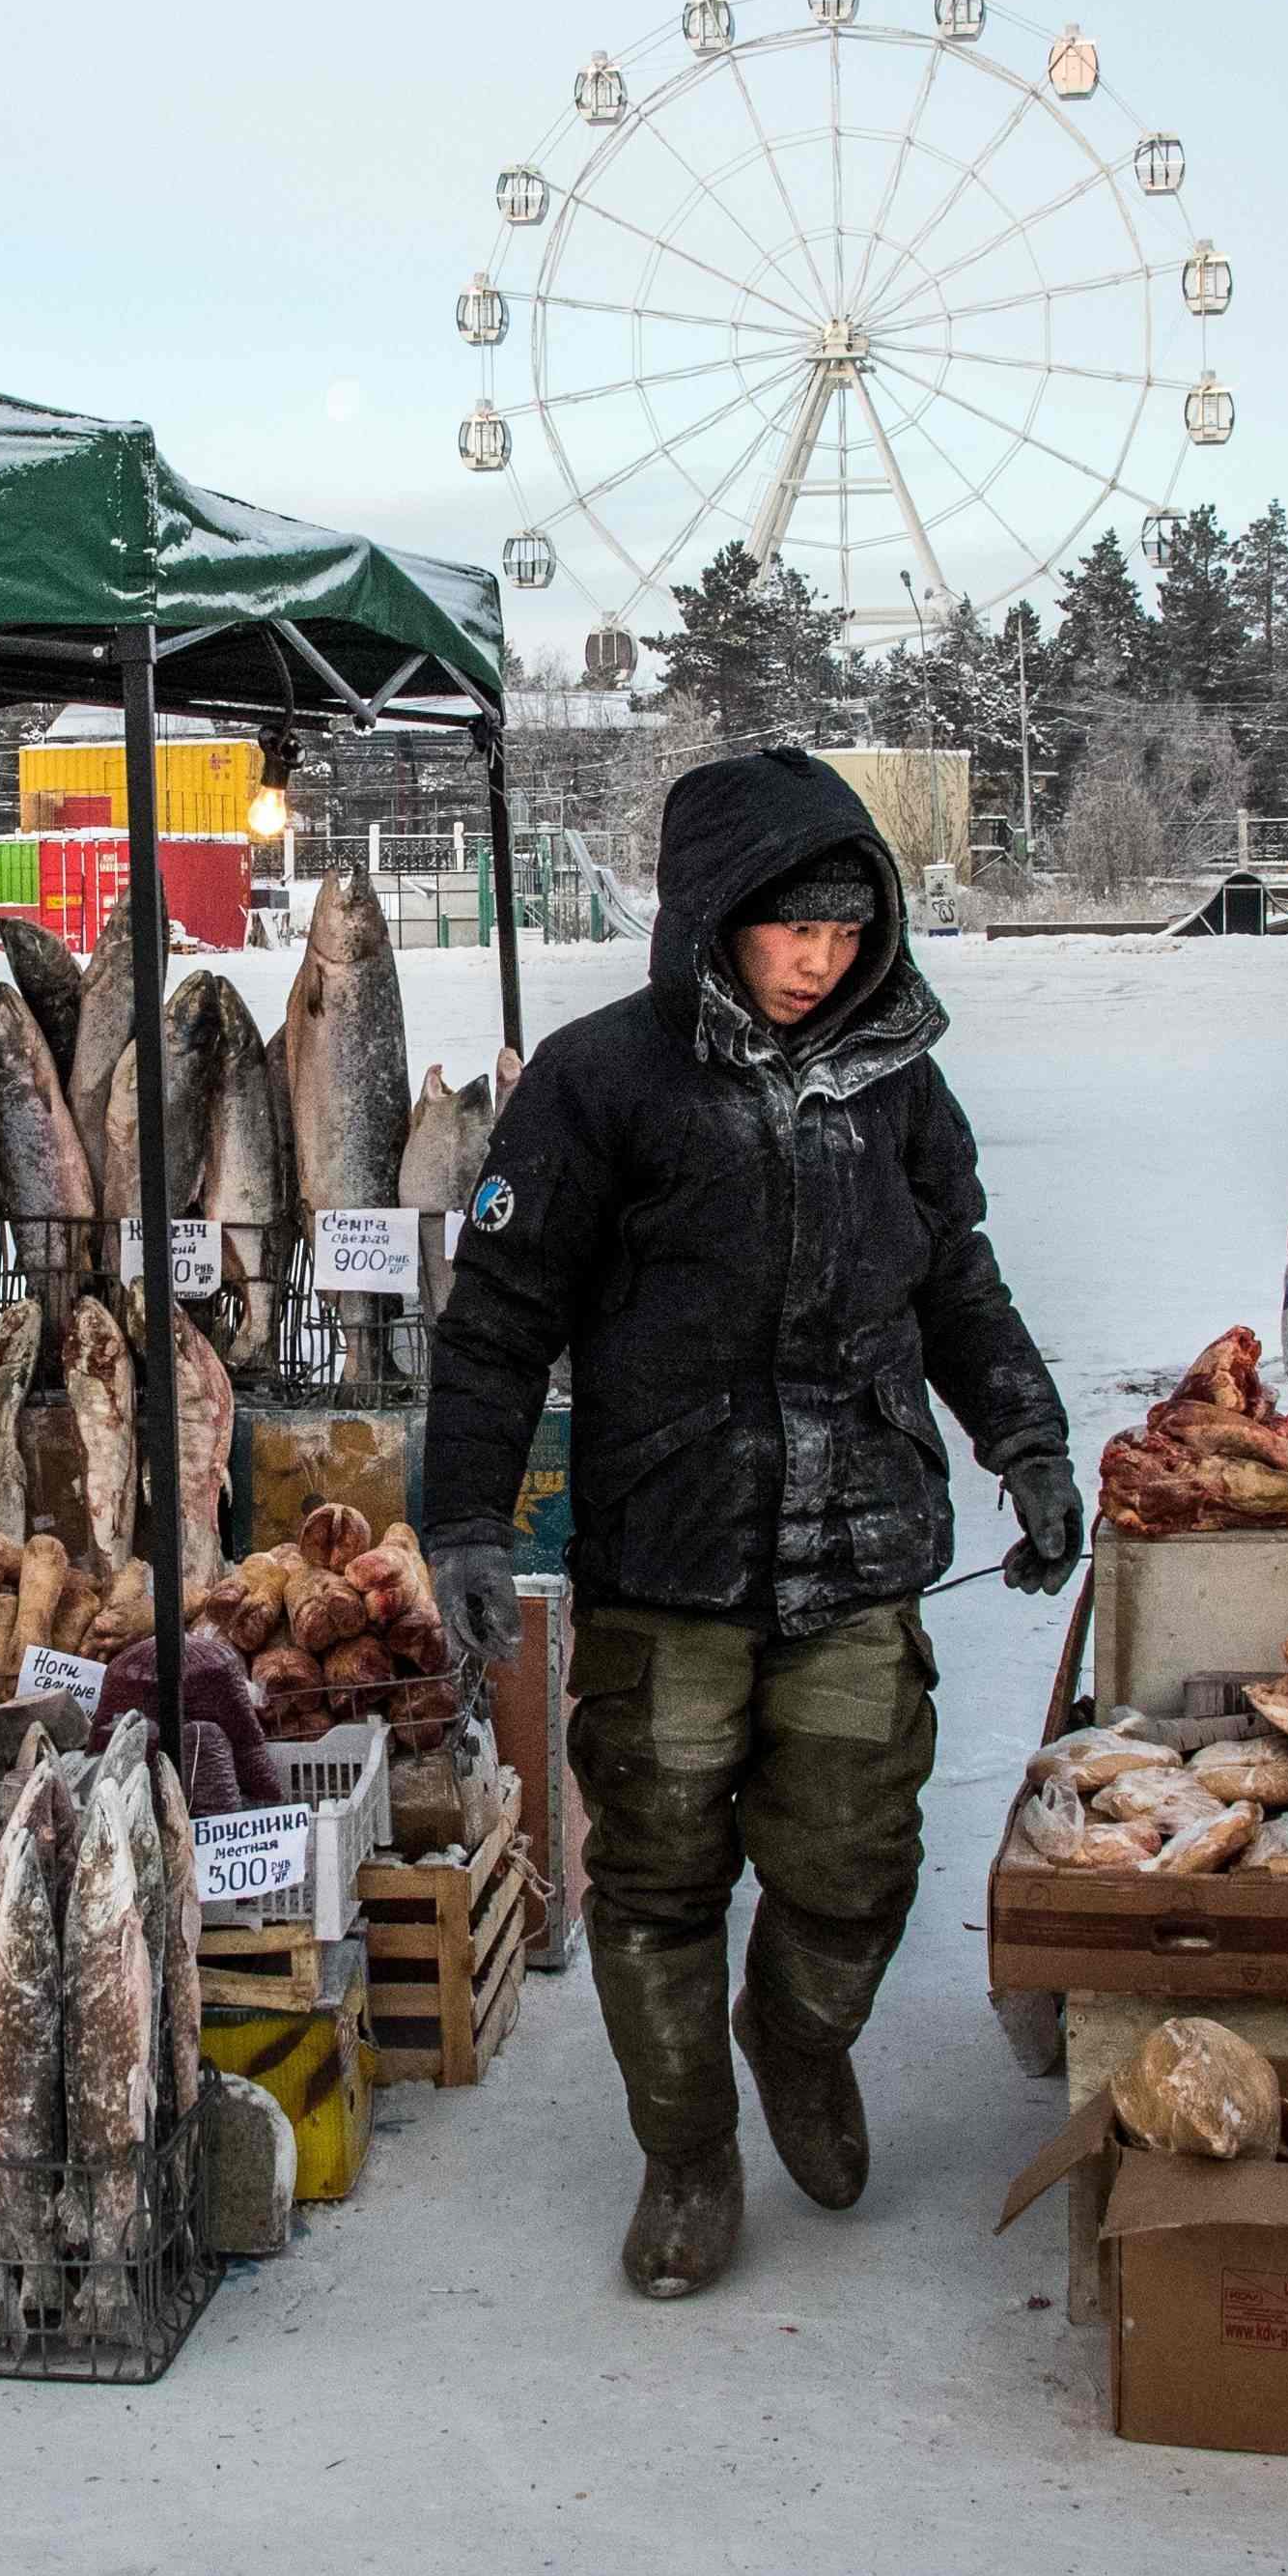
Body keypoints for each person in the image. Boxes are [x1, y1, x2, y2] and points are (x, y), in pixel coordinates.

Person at [421, 748, 1076, 2301]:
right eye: (790, 931)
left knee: (855, 1855)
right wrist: (460, 1517)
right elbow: (498, 1320)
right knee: (654, 1876)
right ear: (714, 919)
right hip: (666, 1557)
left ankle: (793, 2037)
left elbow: (957, 1285)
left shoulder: (898, 1081)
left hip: (855, 1546)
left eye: (848, 933)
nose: (818, 962)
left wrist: (1030, 1441)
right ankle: (688, 2149)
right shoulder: (600, 1081)